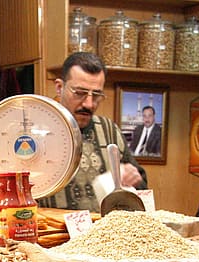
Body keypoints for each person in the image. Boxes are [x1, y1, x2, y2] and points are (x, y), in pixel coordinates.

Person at [39, 52, 147, 212]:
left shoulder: (109, 130)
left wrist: (134, 178)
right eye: (80, 93)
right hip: (53, 234)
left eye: (96, 95)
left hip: (103, 234)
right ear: (60, 88)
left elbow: (141, 184)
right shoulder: (33, 133)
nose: (89, 104)